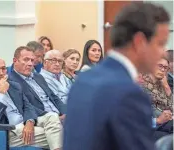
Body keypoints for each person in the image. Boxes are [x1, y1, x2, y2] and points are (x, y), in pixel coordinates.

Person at [64, 2, 170, 150]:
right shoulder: (130, 93)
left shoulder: (84, 80)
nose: (163, 53)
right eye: (160, 43)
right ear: (139, 41)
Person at [0, 56, 63, 150]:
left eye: (3, 68)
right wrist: (1, 94)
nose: (1, 73)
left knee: (52, 116)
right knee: (60, 135)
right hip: (9, 130)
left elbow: (27, 106)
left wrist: (29, 121)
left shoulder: (14, 85)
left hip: (24, 123)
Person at [9, 46, 66, 122]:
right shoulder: (11, 81)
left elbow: (54, 97)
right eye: (26, 60)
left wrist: (66, 112)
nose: (30, 63)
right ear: (15, 61)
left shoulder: (38, 77)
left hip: (57, 116)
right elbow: (26, 106)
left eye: (32, 60)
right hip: (41, 118)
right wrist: (54, 117)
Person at [140, 57, 173, 140]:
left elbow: (172, 108)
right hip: (148, 129)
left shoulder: (163, 85)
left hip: (165, 126)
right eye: (160, 66)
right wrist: (158, 120)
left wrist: (167, 88)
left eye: (165, 68)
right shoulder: (141, 83)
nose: (162, 70)